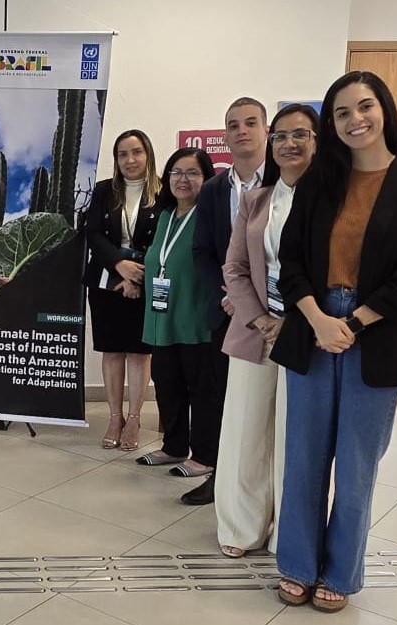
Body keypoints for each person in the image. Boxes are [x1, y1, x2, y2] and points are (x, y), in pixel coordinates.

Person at [271, 72, 397, 612]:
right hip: (313, 325)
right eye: (342, 113)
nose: (355, 120)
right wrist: (319, 319)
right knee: (303, 459)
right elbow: (292, 264)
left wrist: (353, 322)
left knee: (355, 466)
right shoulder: (319, 183)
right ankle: (298, 565)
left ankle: (341, 574)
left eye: (364, 107)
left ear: (385, 111)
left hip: (379, 333)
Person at [214, 104, 319, 558]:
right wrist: (260, 318)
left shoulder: (329, 201)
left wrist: (295, 323)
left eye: (301, 135)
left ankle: (287, 534)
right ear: (271, 144)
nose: (289, 144)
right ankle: (241, 528)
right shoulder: (255, 202)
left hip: (308, 333)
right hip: (256, 329)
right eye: (281, 136)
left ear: (316, 141)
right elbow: (234, 268)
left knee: (293, 439)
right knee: (245, 432)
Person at [188, 96, 270, 506]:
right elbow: (202, 251)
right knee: (221, 399)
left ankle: (263, 489)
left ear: (265, 130)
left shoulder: (284, 182)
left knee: (265, 406)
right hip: (225, 311)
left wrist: (252, 302)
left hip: (274, 312)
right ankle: (220, 480)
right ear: (225, 136)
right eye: (233, 125)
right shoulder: (214, 190)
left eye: (250, 123)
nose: (242, 131)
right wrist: (229, 295)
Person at [140, 148, 220, 501]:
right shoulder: (165, 217)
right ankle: (173, 446)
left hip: (196, 317)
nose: (182, 180)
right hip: (162, 317)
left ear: (207, 178)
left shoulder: (211, 217)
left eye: (192, 173)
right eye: (175, 172)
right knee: (167, 385)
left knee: (202, 391)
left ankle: (204, 456)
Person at [83, 129, 163, 452]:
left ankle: (134, 417)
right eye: (122, 154)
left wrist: (136, 278)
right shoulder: (104, 191)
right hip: (106, 282)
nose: (130, 160)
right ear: (116, 160)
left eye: (137, 152)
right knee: (112, 350)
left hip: (145, 282)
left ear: (148, 155)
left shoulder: (163, 192)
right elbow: (93, 234)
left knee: (139, 353)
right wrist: (120, 267)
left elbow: (162, 239)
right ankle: (114, 417)